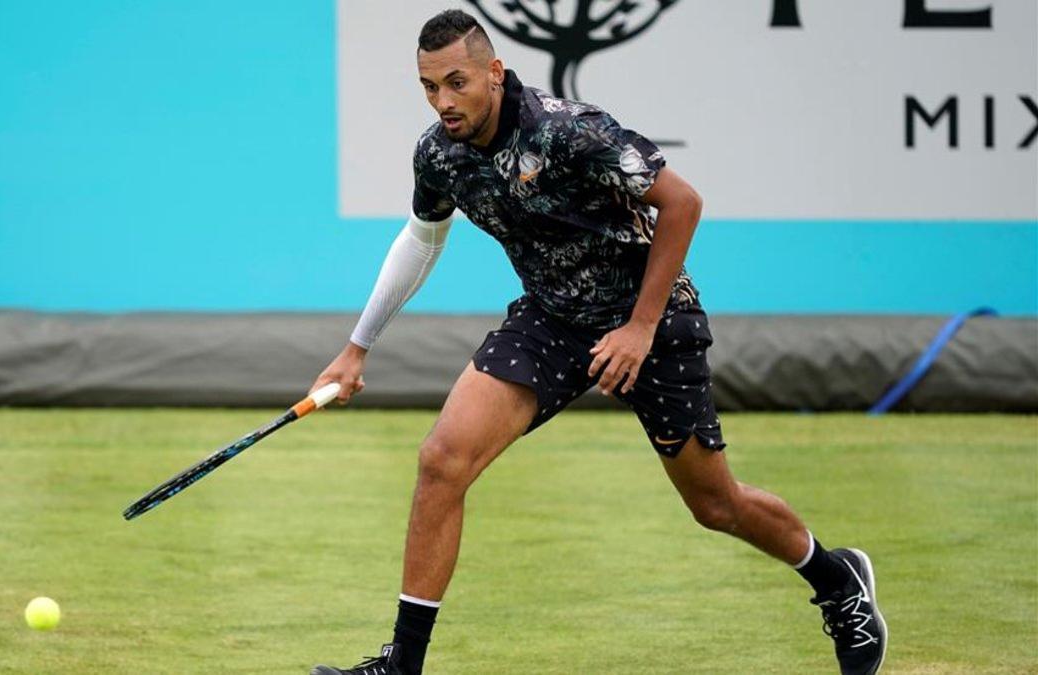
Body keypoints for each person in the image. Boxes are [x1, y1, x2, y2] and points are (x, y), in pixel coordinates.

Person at [309, 9, 885, 675]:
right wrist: (358, 347)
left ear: (494, 74)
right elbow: (423, 237)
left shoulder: (570, 130)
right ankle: (402, 666)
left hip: (652, 317)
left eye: (455, 82)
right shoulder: (440, 153)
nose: (443, 102)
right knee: (442, 460)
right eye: (428, 87)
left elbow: (683, 203)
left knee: (714, 504)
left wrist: (639, 328)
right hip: (552, 318)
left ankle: (836, 579)